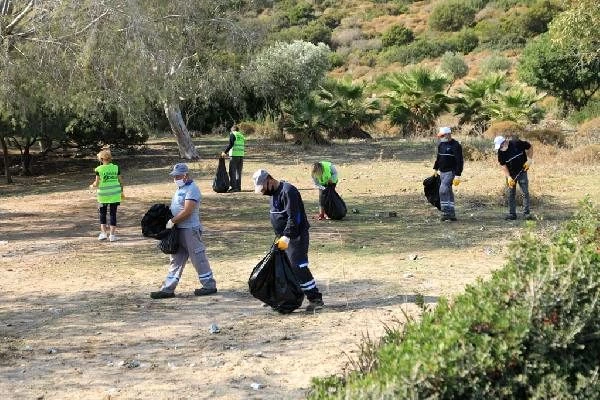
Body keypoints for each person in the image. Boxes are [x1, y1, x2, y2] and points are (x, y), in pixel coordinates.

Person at [252, 169, 324, 312]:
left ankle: (315, 298)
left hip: (296, 237)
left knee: (298, 266)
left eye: (263, 188)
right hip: (281, 237)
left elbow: (294, 217)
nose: (263, 191)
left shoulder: (288, 191)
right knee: (279, 266)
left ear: (270, 180)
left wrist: (287, 236)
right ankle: (279, 296)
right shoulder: (273, 194)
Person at [150, 163, 217, 299]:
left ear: (185, 175)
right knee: (175, 259)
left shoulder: (192, 189)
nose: (175, 178)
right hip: (178, 230)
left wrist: (172, 221)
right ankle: (167, 289)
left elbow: (187, 211)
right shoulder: (180, 188)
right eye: (174, 176)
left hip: (190, 229)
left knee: (198, 257)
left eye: (177, 176)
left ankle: (209, 286)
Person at [494, 135, 533, 220]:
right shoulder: (501, 152)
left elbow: (530, 147)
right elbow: (503, 165)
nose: (500, 148)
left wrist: (529, 160)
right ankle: (512, 214)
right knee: (511, 194)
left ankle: (526, 214)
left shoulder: (517, 143)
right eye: (499, 147)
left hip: (522, 171)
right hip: (511, 174)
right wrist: (508, 177)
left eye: (501, 146)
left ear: (505, 142)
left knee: (525, 192)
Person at [90, 149, 123, 242]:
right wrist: (122, 191)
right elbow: (120, 181)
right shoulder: (116, 167)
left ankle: (103, 234)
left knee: (102, 214)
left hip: (103, 196)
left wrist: (92, 185)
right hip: (115, 194)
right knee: (113, 214)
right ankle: (112, 236)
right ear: (110, 158)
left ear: (101, 159)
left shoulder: (98, 169)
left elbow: (96, 183)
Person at [433, 127, 463, 221]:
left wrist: (458, 175)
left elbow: (459, 161)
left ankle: (445, 212)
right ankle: (451, 213)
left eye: (442, 136)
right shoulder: (441, 145)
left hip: (451, 172)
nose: (441, 137)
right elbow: (439, 157)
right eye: (440, 136)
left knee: (443, 190)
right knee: (448, 191)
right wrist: (435, 168)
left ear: (448, 134)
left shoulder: (456, 145)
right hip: (442, 172)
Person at [221, 125, 245, 192]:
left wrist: (225, 152)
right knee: (238, 172)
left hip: (234, 156)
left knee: (232, 172)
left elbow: (230, 144)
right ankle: (238, 187)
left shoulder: (233, 134)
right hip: (241, 155)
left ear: (232, 130)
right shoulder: (241, 135)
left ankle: (234, 188)